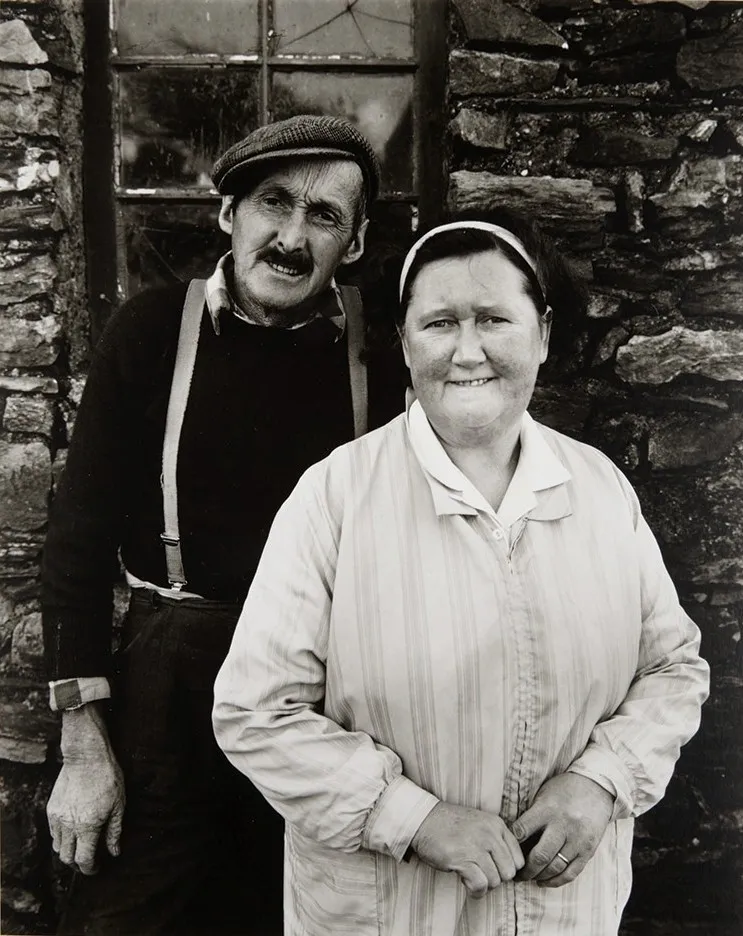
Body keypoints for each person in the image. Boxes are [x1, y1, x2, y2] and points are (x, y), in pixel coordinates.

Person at [212, 216, 710, 936]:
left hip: (559, 911)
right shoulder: (336, 496)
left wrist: (600, 781)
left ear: (539, 334)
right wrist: (411, 817)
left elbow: (671, 667)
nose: (467, 350)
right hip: (386, 910)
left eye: (493, 319)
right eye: (439, 322)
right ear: (405, 342)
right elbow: (256, 712)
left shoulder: (598, 488)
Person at [42, 114, 406, 935]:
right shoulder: (149, 332)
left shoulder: (378, 356)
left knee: (291, 915)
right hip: (172, 675)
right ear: (227, 216)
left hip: (320, 694)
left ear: (352, 244)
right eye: (272, 204)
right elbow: (76, 541)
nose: (289, 237)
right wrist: (83, 744)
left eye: (324, 217)